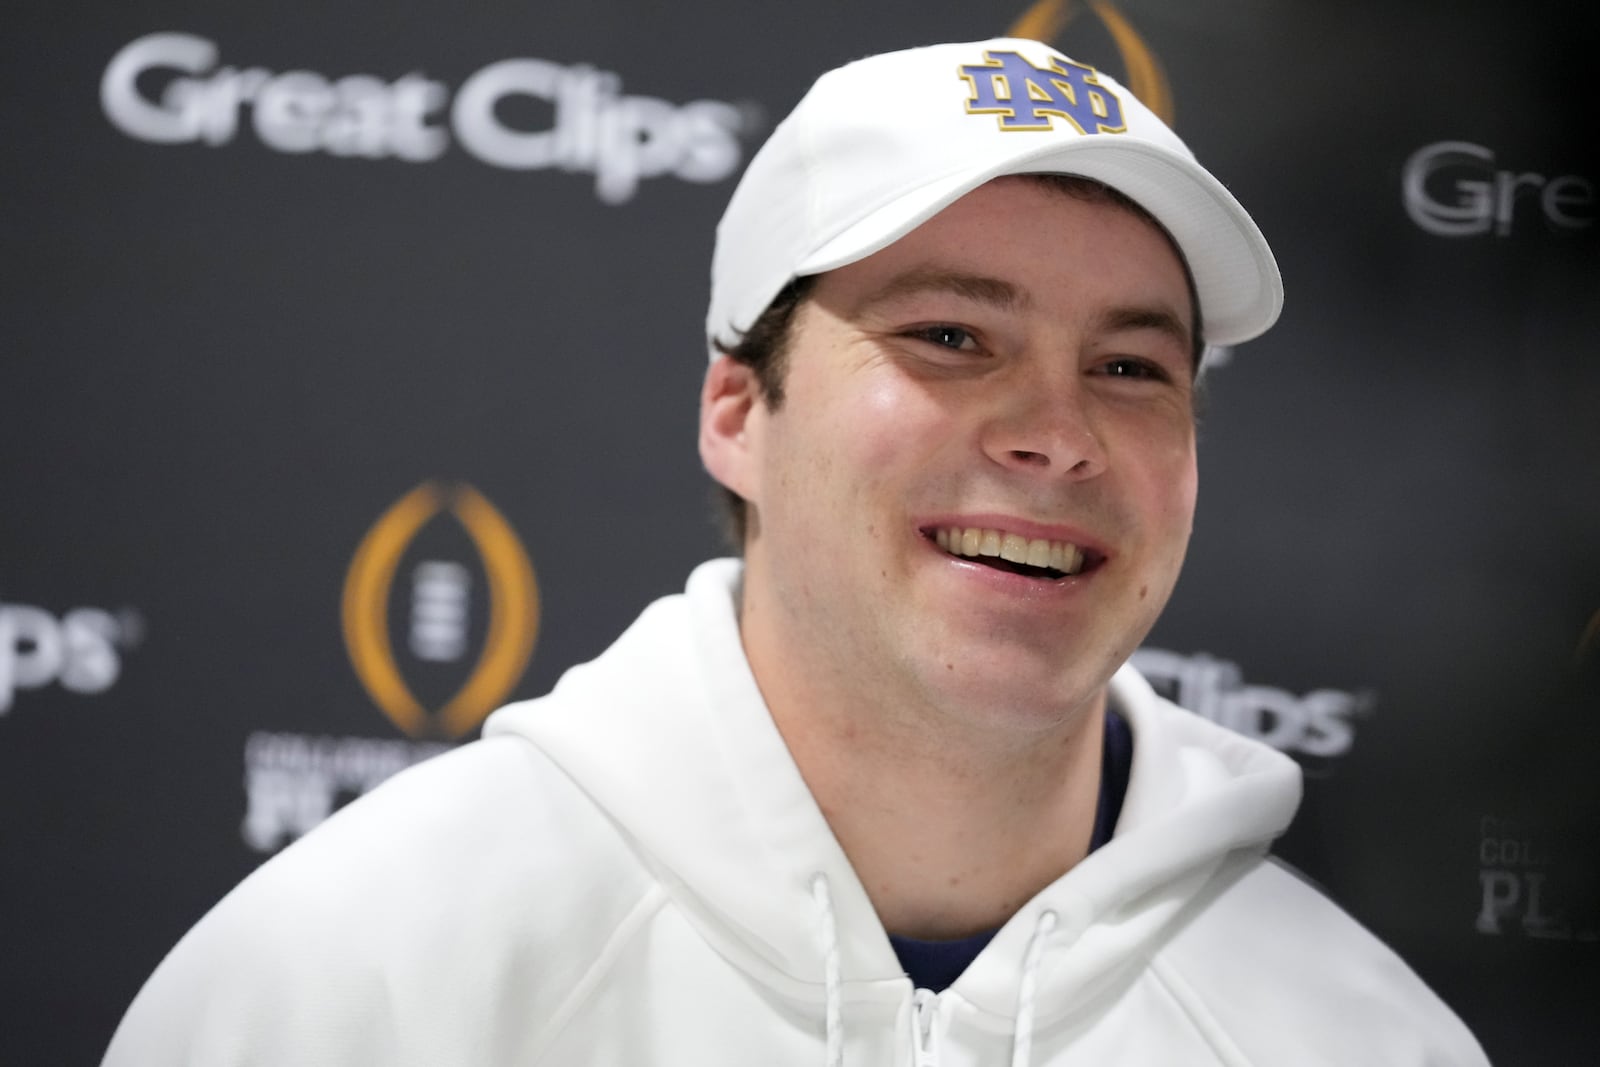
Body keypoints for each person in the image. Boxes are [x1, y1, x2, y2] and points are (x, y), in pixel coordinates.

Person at [103, 38, 1488, 1065]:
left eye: (1132, 367)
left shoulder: (1359, 1038)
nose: (1059, 437)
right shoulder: (358, 981)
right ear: (735, 413)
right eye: (952, 336)